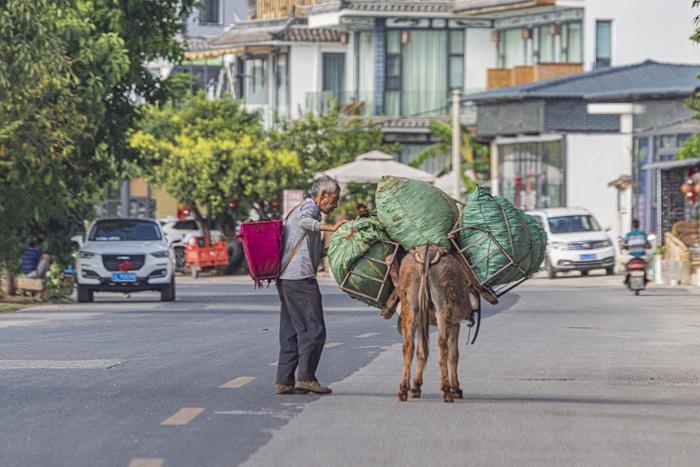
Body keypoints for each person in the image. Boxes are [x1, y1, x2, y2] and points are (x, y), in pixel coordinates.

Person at [275, 176, 346, 395]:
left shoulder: (298, 208)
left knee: (291, 330)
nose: (335, 205)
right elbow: (304, 222)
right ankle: (306, 377)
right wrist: (331, 227)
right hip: (300, 279)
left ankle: (284, 381)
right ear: (323, 195)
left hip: (286, 278)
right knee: (314, 329)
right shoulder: (309, 208)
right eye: (333, 200)